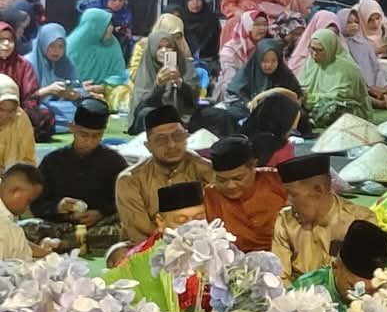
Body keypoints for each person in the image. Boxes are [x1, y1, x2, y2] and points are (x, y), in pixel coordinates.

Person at [29, 100, 122, 249]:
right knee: (28, 227)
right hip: (60, 225)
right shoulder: (53, 161)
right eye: (84, 135)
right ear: (72, 128)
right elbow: (36, 203)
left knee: (121, 229)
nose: (90, 141)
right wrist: (57, 207)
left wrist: (101, 213)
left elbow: (124, 200)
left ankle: (66, 244)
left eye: (96, 136)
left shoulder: (114, 161)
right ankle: (71, 242)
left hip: (99, 226)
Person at [114, 106, 215, 242]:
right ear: (148, 146)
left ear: (186, 137)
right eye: (161, 140)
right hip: (149, 246)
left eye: (178, 136)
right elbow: (139, 232)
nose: (172, 145)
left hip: (203, 243)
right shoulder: (131, 180)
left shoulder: (206, 169)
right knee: (117, 254)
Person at [271, 154, 374, 280]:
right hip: (297, 295)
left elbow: (363, 280)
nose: (287, 202)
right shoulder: (285, 222)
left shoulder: (360, 222)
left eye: (293, 194)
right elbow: (279, 278)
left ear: (318, 190)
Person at [202, 136, 287, 253]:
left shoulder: (278, 182)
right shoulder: (208, 196)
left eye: (238, 178)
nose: (230, 186)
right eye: (222, 180)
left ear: (253, 166)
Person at [300, 30, 373, 134]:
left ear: (330, 48)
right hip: (313, 103)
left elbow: (342, 96)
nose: (314, 54)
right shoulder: (310, 63)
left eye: (320, 50)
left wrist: (311, 98)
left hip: (344, 108)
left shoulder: (347, 68)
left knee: (331, 108)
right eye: (312, 49)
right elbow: (300, 86)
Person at [0, 163, 59, 261]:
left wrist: (44, 252)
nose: (28, 207)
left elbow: (17, 242)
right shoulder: (5, 227)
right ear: (16, 192)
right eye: (29, 201)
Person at [64, 7, 130, 89]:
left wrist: (104, 87)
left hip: (107, 91)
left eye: (111, 24)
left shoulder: (112, 43)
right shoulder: (71, 46)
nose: (111, 28)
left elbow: (119, 74)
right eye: (107, 25)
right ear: (94, 26)